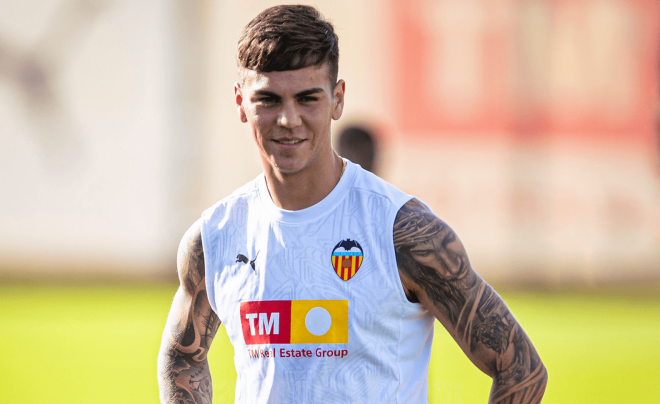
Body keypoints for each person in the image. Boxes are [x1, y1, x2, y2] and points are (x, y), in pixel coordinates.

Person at [157, 5, 547, 403]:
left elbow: (520, 368)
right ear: (241, 103)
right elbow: (182, 357)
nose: (288, 119)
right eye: (269, 100)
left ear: (337, 100)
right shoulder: (216, 237)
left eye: (307, 98)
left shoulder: (404, 233)